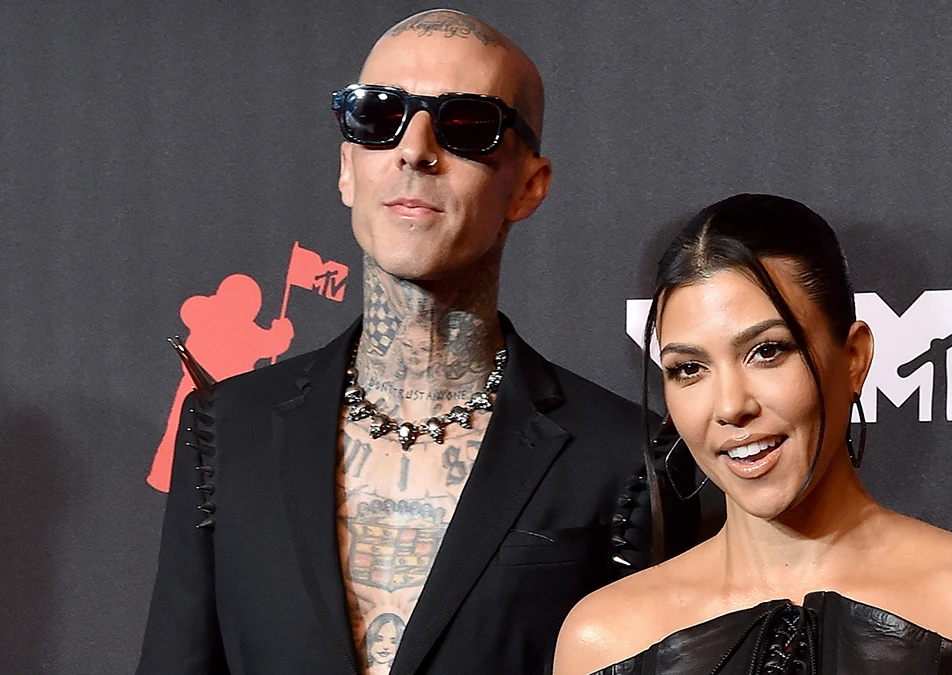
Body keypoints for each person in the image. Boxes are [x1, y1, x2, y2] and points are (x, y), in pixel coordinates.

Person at [137, 10, 691, 675]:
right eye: (378, 115)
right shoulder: (227, 428)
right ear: (348, 168)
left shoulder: (626, 454)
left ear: (529, 186)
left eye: (466, 124)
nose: (414, 148)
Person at [553, 194, 952, 674]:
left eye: (768, 351)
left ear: (854, 357)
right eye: (689, 369)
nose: (730, 406)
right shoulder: (605, 642)